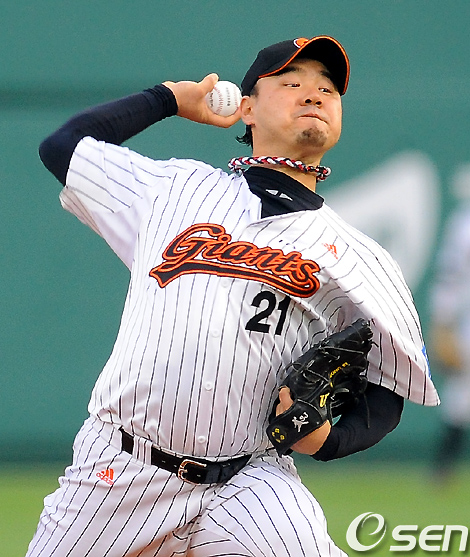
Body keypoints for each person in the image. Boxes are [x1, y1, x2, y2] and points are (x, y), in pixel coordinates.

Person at [28, 35, 439, 557]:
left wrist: (330, 440)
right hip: (120, 469)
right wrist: (168, 99)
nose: (313, 93)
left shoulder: (362, 258)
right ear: (246, 108)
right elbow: (63, 147)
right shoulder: (172, 189)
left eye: (327, 89)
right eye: (290, 82)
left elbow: (389, 386)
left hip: (249, 480)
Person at [429, 195, 470, 483]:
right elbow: (450, 280)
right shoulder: (465, 224)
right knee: (462, 397)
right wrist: (443, 327)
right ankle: (443, 467)